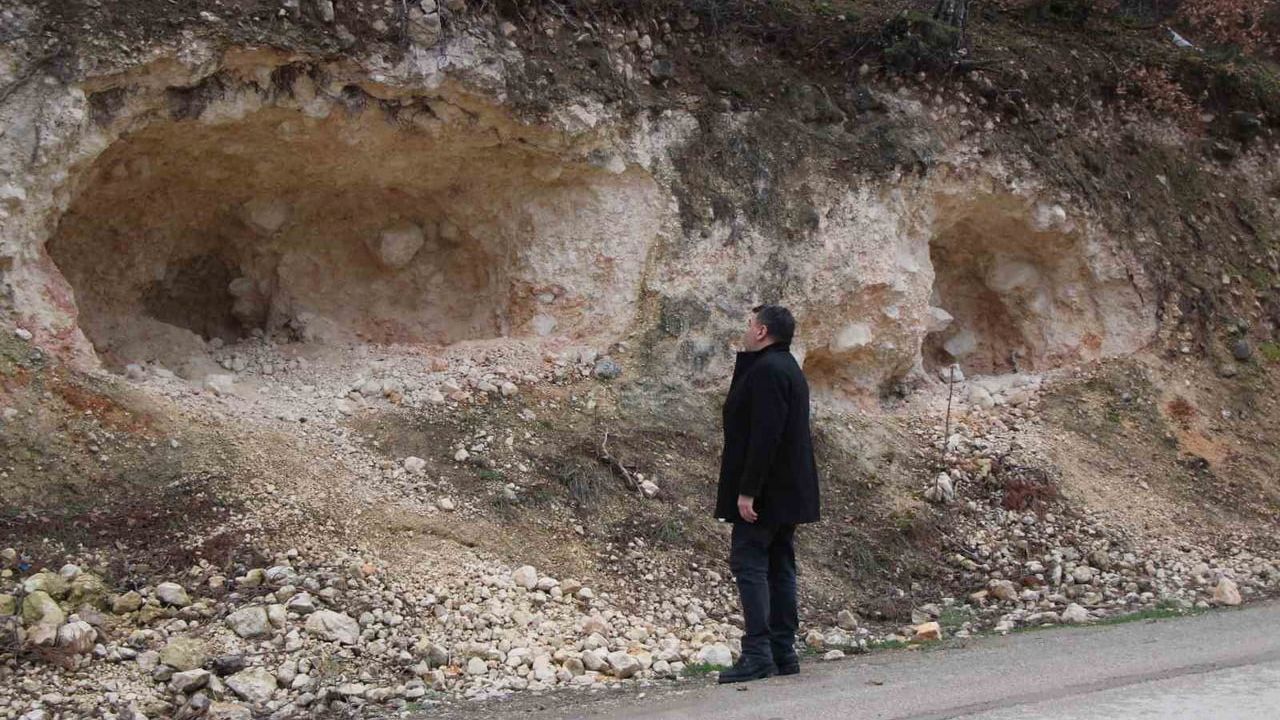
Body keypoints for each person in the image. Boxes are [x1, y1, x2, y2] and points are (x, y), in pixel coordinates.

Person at [715, 304, 821, 684]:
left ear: (761, 331)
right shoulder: (788, 367)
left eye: (749, 324)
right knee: (779, 565)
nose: (746, 330)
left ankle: (759, 653)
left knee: (751, 564)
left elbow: (764, 436)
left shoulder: (767, 371)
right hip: (788, 491)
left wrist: (747, 492)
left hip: (767, 493)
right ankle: (782, 651)